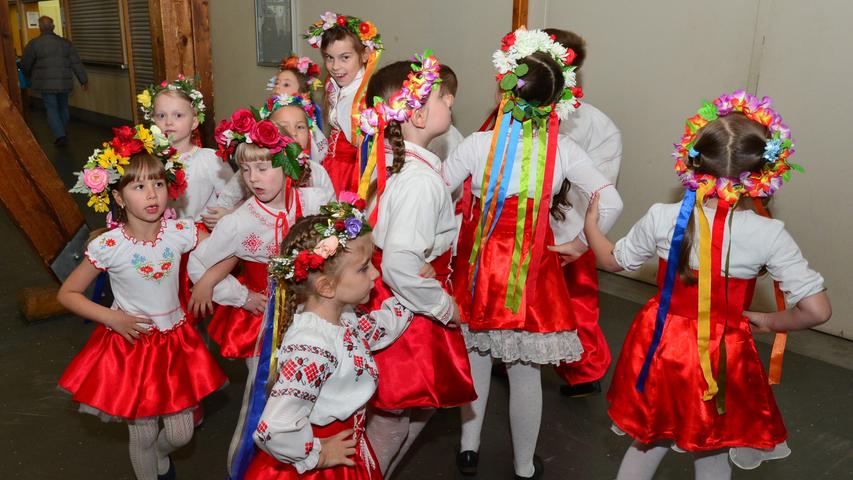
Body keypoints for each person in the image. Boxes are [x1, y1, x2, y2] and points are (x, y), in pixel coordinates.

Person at [584, 91, 831, 479]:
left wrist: (591, 227)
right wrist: (769, 321)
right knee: (712, 445)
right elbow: (818, 311)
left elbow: (615, 261)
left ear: (692, 162)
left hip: (661, 344)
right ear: (764, 174)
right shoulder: (770, 234)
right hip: (723, 353)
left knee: (649, 437)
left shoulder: (662, 216)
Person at [443, 29, 623, 479]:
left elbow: (436, 194)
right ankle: (524, 465)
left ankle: (469, 449)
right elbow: (610, 198)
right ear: (558, 98)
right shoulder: (563, 148)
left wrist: (441, 243)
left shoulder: (477, 145)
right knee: (525, 374)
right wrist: (582, 243)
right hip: (532, 275)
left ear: (505, 86)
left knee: (477, 358)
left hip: (480, 268)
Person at [58, 124, 226, 480]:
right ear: (118, 198)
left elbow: (229, 248)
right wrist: (112, 318)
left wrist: (208, 281)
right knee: (144, 431)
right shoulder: (109, 245)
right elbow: (67, 294)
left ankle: (160, 459)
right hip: (131, 345)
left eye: (158, 184)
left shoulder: (183, 232)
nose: (151, 194)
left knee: (180, 433)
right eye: (138, 186)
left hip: (176, 342)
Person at [227, 202, 414, 480]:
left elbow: (375, 328)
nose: (375, 274)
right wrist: (318, 454)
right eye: (364, 268)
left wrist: (413, 296)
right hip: (321, 467)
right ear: (326, 286)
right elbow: (273, 427)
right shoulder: (313, 347)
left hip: (348, 450)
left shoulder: (340, 318)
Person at [356, 52, 477, 478]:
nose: (451, 104)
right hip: (407, 313)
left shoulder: (397, 167)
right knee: (391, 423)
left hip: (402, 304)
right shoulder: (421, 182)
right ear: (420, 115)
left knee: (412, 411)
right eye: (446, 98)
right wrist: (444, 306)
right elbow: (401, 266)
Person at [186, 110, 317, 369]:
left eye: (262, 168)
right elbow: (197, 264)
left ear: (287, 164)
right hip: (263, 320)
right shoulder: (238, 222)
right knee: (264, 386)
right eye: (245, 170)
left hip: (309, 312)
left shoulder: (313, 201)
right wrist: (241, 296)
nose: (252, 177)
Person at [543, 27, 623, 398]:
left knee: (575, 304)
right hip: (519, 228)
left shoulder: (598, 125)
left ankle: (584, 370)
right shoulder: (506, 116)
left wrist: (579, 240)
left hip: (566, 231)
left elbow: (600, 193)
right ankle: (507, 355)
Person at [304, 11, 382, 194]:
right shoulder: (335, 86)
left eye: (344, 57)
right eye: (329, 58)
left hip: (353, 173)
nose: (335, 66)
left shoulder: (367, 95)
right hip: (333, 167)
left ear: (364, 55)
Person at [21, 15, 88, 146]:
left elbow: (26, 64)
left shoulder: (34, 44)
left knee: (51, 109)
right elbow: (76, 63)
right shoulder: (66, 43)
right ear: (53, 27)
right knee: (63, 107)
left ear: (40, 28)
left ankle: (60, 135)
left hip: (46, 83)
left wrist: (28, 76)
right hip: (64, 82)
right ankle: (62, 130)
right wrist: (83, 80)